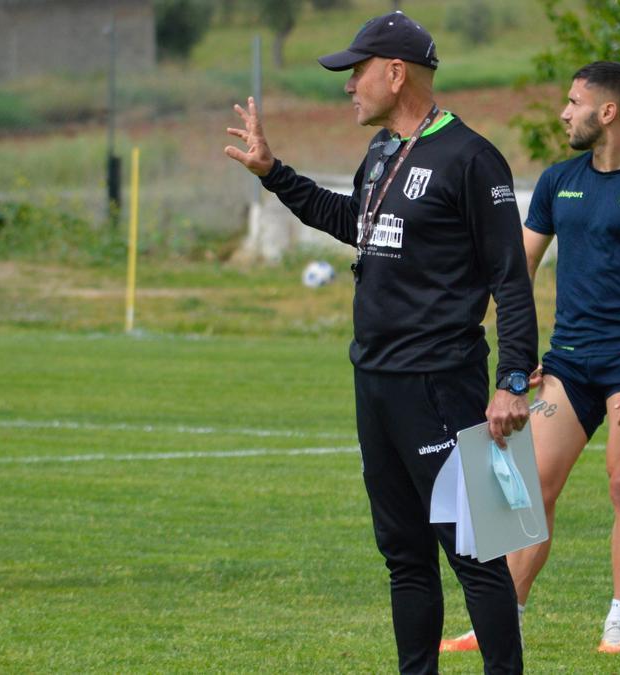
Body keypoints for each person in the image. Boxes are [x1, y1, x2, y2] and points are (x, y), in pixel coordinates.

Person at [225, 11, 537, 674]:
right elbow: (352, 221)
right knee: (403, 554)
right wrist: (273, 171)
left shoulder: (473, 157)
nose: (349, 87)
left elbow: (511, 279)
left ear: (396, 74)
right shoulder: (382, 154)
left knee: (480, 550)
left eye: (357, 72)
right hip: (376, 381)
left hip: (445, 383)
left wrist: (513, 380)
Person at [441, 61, 620, 655]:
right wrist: (520, 357)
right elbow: (518, 273)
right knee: (523, 491)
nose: (564, 111)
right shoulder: (558, 181)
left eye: (574, 101)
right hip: (569, 364)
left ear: (608, 112)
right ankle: (500, 619)